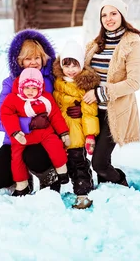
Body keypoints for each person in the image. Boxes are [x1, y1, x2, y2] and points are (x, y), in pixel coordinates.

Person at [73, 0, 140, 186]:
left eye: (113, 13)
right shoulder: (94, 45)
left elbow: (134, 82)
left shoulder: (132, 43)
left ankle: (120, 181)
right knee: (99, 158)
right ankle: (108, 191)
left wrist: (100, 94)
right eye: (104, 15)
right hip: (91, 111)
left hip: (114, 111)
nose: (108, 18)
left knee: (99, 163)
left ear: (122, 15)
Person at [0, 29, 62, 193]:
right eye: (28, 58)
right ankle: (24, 180)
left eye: (37, 57)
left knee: (34, 157)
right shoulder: (10, 83)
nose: (33, 62)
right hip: (15, 139)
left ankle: (49, 177)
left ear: (44, 58)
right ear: (19, 61)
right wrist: (29, 123)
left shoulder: (53, 81)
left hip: (43, 139)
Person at [0, 68, 71, 196]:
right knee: (16, 157)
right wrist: (15, 132)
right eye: (27, 88)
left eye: (34, 88)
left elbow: (55, 116)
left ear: (40, 88)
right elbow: (6, 115)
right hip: (23, 136)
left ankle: (61, 170)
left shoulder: (46, 98)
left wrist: (63, 133)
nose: (30, 92)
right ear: (21, 86)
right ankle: (22, 184)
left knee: (55, 145)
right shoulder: (13, 99)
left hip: (44, 133)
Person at [52, 40, 101, 209]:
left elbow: (90, 114)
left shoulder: (84, 86)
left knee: (78, 162)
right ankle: (52, 193)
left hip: (76, 133)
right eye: (67, 65)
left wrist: (89, 136)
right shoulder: (57, 82)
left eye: (75, 65)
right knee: (57, 163)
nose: (71, 70)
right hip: (58, 132)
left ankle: (83, 192)